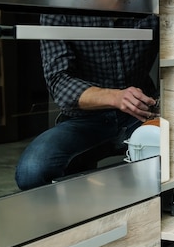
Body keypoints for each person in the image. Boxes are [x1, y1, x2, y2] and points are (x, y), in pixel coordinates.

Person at [15, 13, 159, 190]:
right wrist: (116, 97)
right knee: (32, 171)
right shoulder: (59, 10)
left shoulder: (150, 5)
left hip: (141, 114)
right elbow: (58, 82)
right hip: (83, 120)